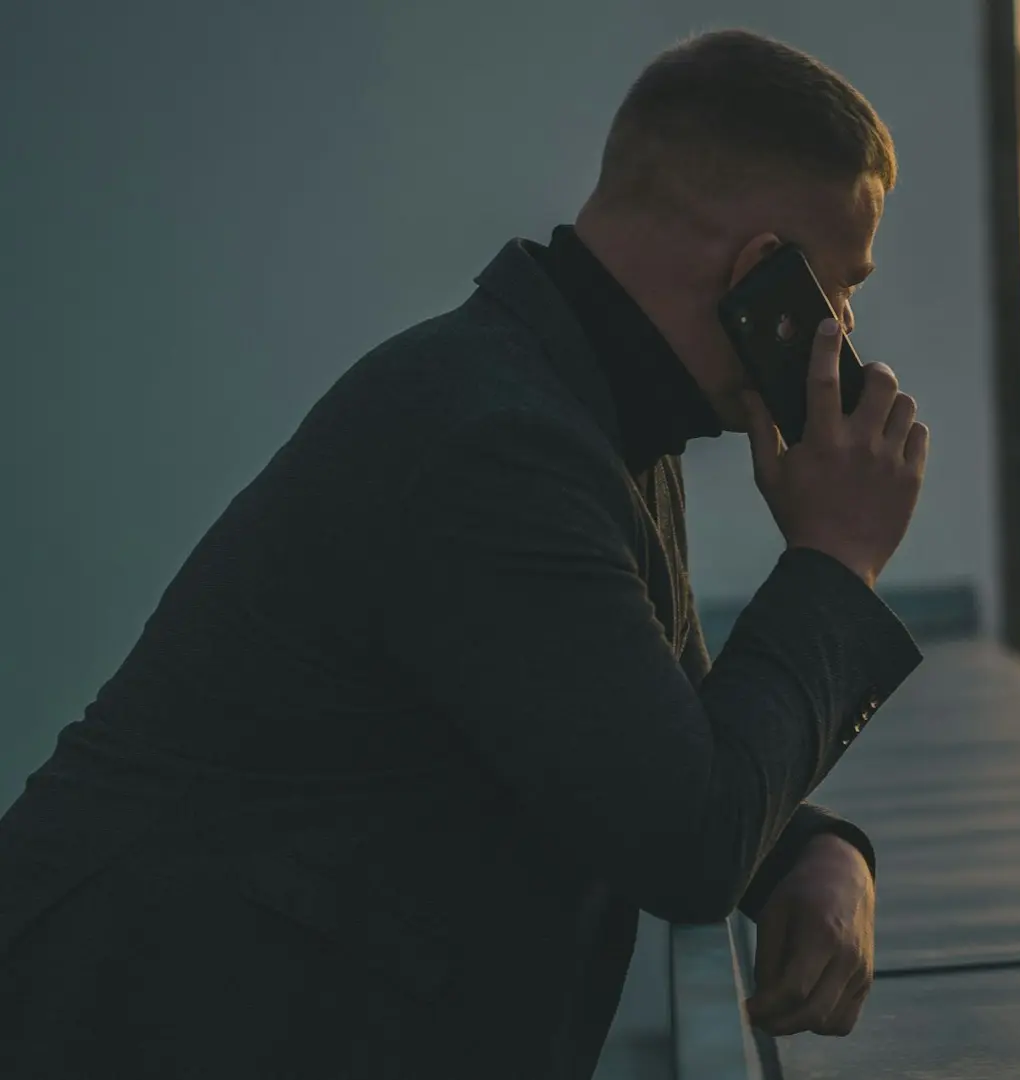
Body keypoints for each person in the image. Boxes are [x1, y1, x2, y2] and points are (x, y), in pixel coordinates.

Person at [0, 28, 928, 1079]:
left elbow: (654, 748)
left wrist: (822, 854)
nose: (842, 334)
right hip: (143, 1029)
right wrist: (835, 561)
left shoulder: (576, 411)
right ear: (762, 275)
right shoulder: (494, 443)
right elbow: (685, 838)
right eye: (835, 293)